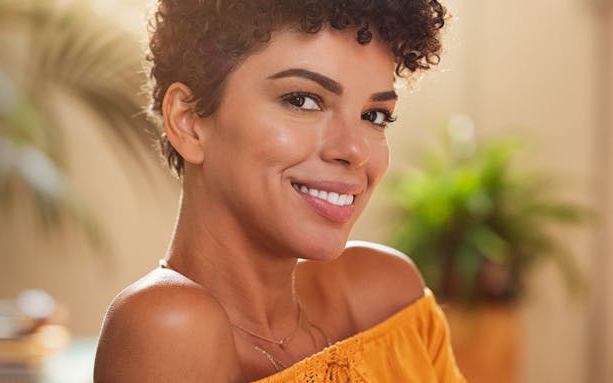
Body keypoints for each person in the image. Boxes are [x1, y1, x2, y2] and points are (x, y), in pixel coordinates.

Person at [94, 1, 464, 382]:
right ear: (188, 122)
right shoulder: (169, 324)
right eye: (303, 101)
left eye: (374, 116)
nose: (355, 150)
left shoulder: (387, 297)